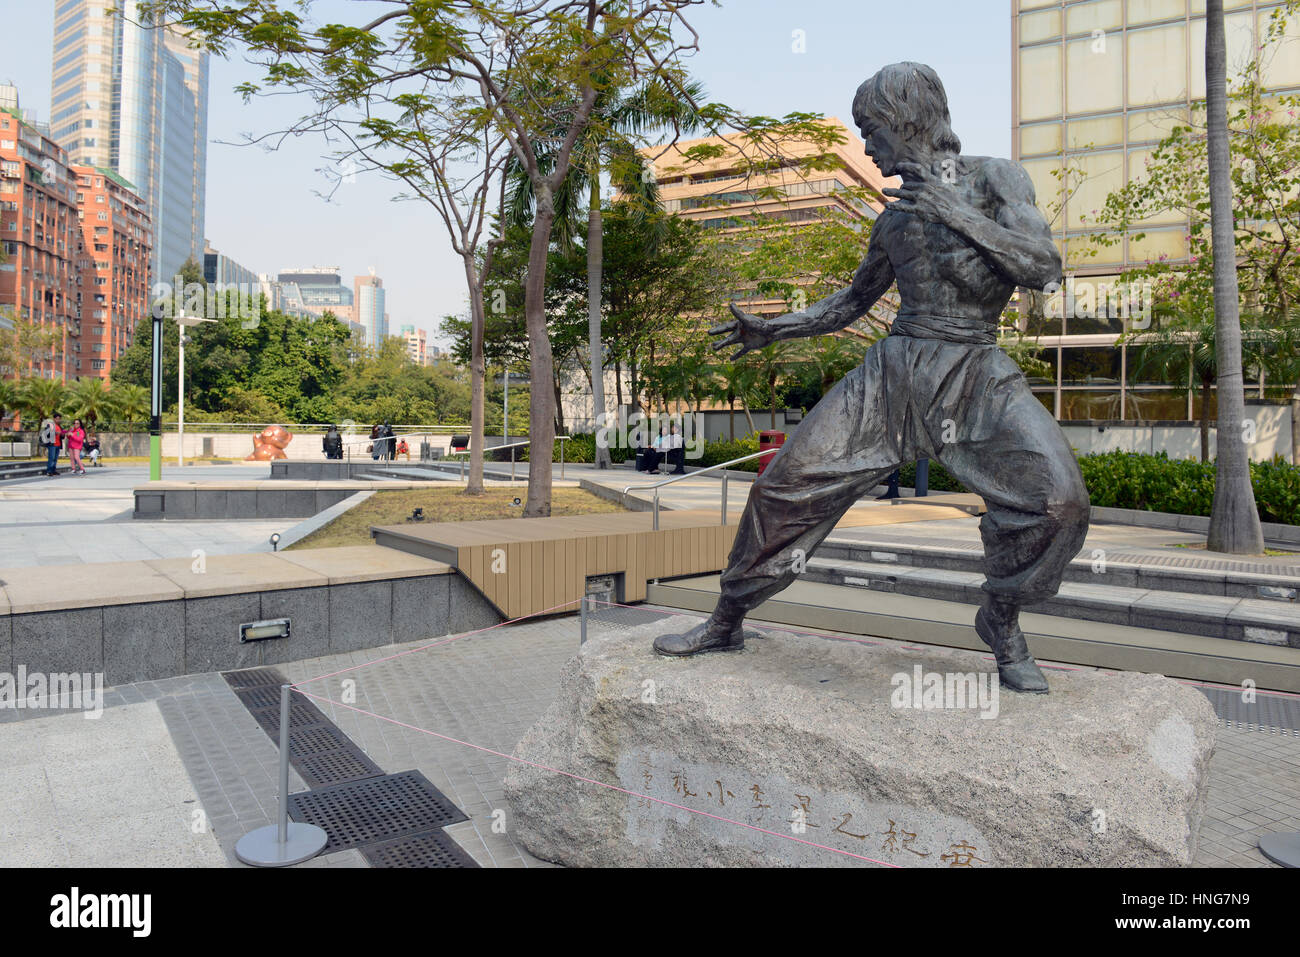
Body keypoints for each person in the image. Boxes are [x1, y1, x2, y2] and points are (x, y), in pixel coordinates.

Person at [652, 62, 1089, 695]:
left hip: (974, 371)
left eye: (871, 131)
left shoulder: (996, 178)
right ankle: (727, 618)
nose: (866, 147)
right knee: (783, 488)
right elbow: (853, 301)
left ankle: (1002, 618)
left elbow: (1044, 268)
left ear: (906, 122)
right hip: (893, 374)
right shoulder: (892, 220)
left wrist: (953, 212)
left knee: (1060, 502)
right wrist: (774, 329)